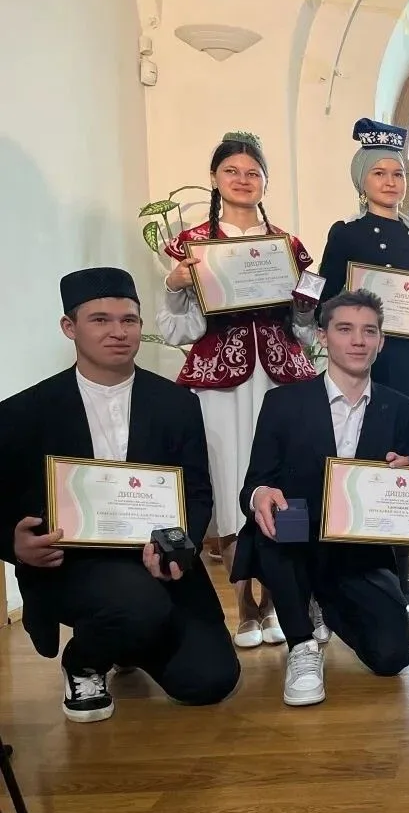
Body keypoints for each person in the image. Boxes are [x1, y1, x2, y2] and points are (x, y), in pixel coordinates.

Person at [0, 268, 240, 722]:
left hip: (158, 561)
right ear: (69, 327)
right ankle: (84, 661)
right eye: (100, 320)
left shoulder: (177, 403)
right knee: (136, 603)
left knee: (209, 680)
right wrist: (13, 544)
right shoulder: (23, 412)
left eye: (129, 320)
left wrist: (177, 546)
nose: (118, 332)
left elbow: (196, 490)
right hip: (72, 565)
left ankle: (125, 641)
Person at [158, 131, 317, 650]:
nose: (243, 180)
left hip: (281, 380)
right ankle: (245, 609)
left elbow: (303, 333)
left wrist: (305, 307)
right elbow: (179, 331)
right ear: (214, 178)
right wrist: (175, 287)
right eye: (232, 171)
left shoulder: (287, 246)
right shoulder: (192, 246)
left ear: (265, 182)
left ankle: (278, 604)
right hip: (219, 384)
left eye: (253, 172)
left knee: (284, 486)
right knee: (229, 489)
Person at [233, 290, 409, 706]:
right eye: (345, 329)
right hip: (294, 540)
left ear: (381, 341)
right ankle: (301, 643)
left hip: (358, 549)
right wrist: (260, 494)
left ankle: (324, 603)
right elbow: (254, 484)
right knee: (280, 521)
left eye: (369, 331)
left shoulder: (399, 407)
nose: (358, 340)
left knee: (391, 657)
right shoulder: (282, 402)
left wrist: (408, 474)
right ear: (322, 336)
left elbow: (406, 491)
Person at [317, 118, 409, 624]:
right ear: (362, 179)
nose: (391, 182)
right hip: (366, 365)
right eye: (380, 173)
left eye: (398, 173)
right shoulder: (345, 234)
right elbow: (326, 301)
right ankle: (370, 581)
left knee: (404, 467)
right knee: (367, 464)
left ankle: (404, 580)